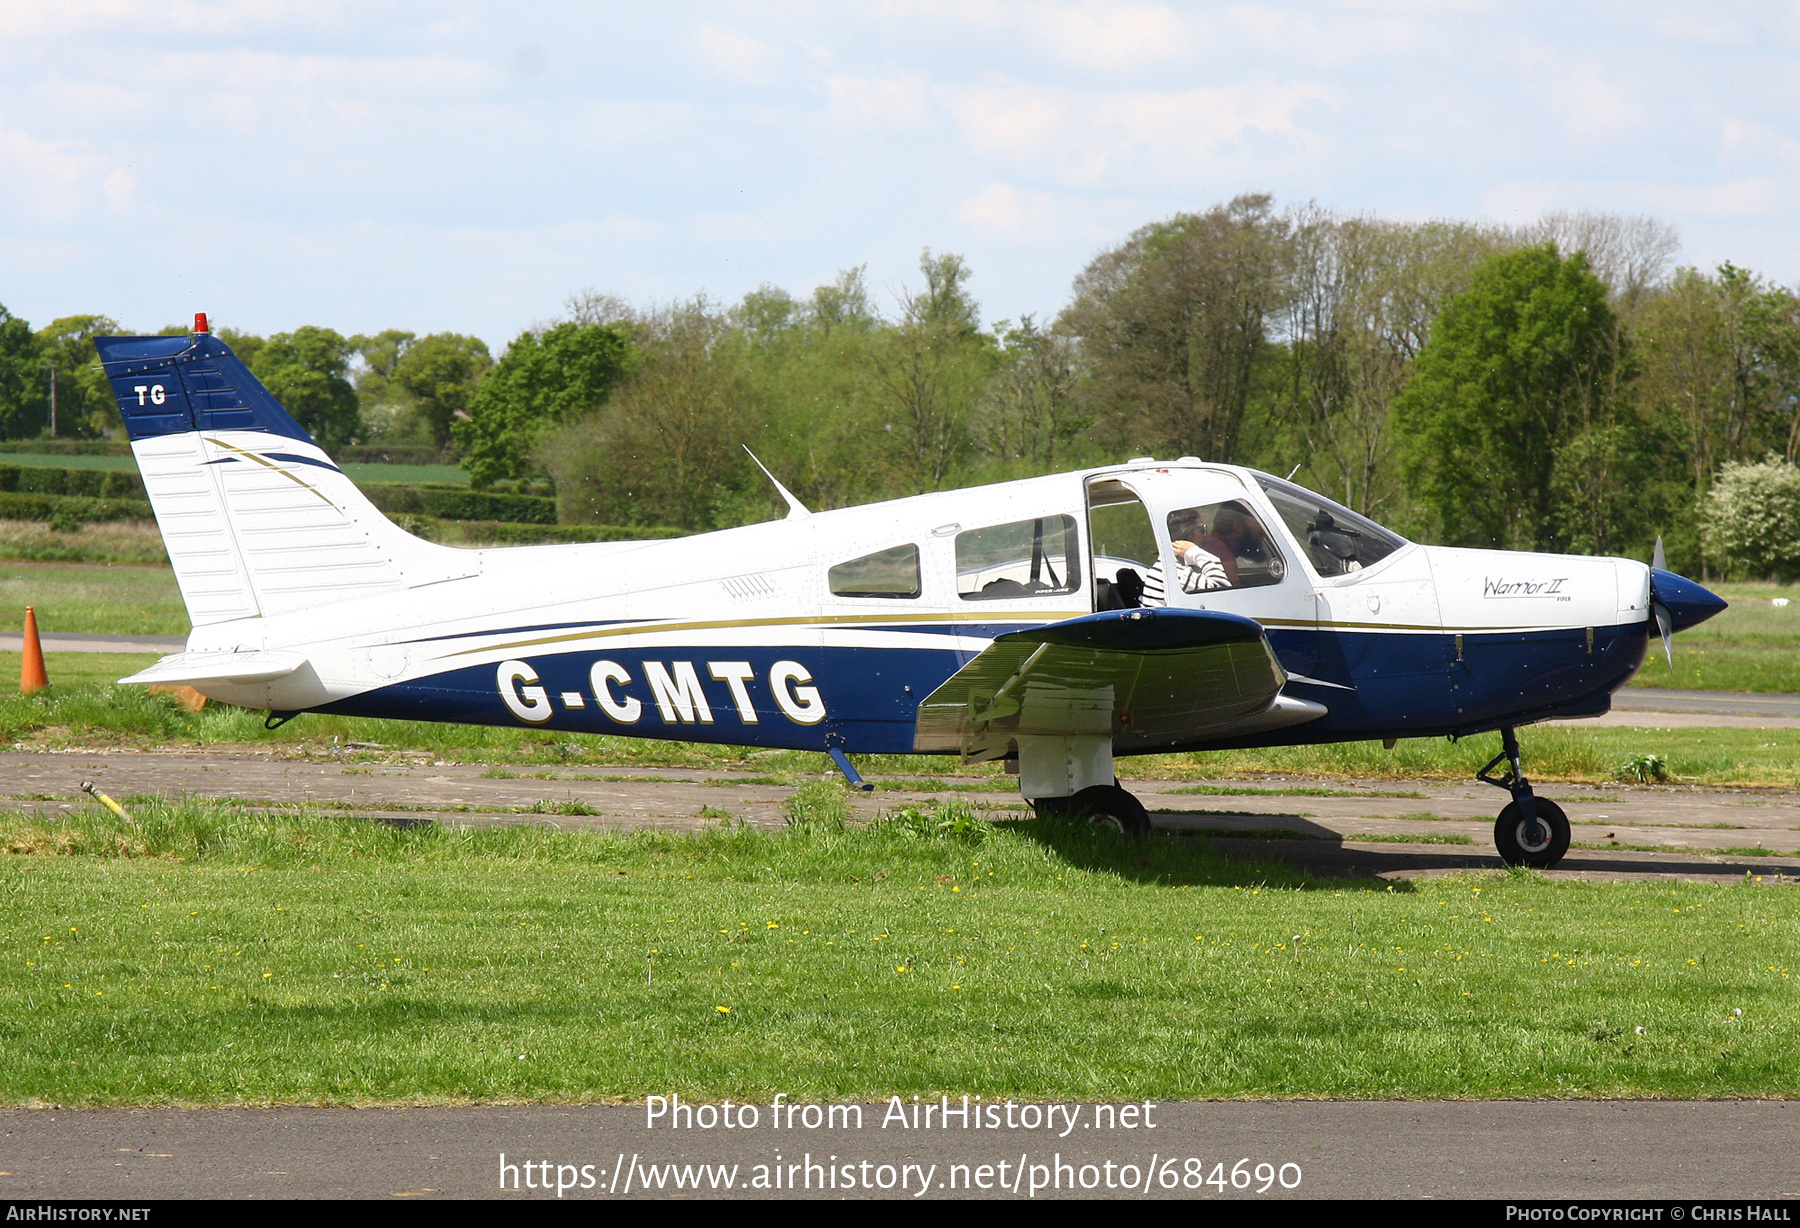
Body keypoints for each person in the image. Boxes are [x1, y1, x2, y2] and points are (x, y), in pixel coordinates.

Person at [1140, 507, 1231, 604]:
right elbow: (1223, 591)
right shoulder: (1174, 573)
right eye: (1202, 530)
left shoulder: (1170, 566)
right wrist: (1194, 551)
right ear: (1187, 534)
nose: (1206, 535)